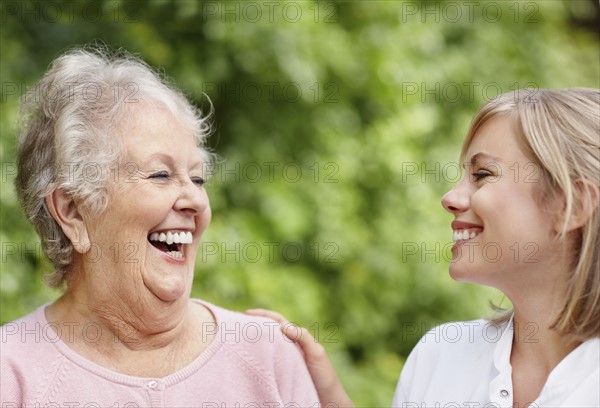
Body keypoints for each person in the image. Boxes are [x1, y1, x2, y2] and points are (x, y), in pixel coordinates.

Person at [0, 47, 319, 406]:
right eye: (161, 174)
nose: (195, 201)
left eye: (197, 179)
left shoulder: (268, 356)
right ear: (73, 211)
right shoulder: (11, 375)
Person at [248, 88, 600, 407]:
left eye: (482, 175)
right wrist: (326, 395)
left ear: (572, 205)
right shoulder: (441, 355)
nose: (450, 197)